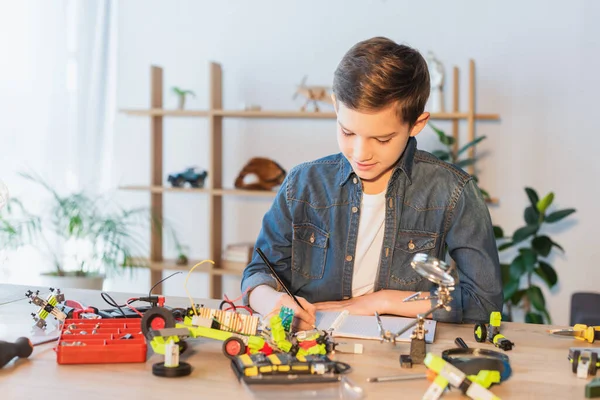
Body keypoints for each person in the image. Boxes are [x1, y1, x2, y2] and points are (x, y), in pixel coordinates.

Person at [241, 37, 502, 331]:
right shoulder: (302, 184)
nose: (361, 154)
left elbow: (483, 302)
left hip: (398, 354)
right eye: (347, 132)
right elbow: (259, 272)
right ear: (335, 106)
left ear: (417, 124)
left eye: (382, 139)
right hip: (309, 348)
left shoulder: (453, 191)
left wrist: (380, 302)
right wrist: (269, 301)